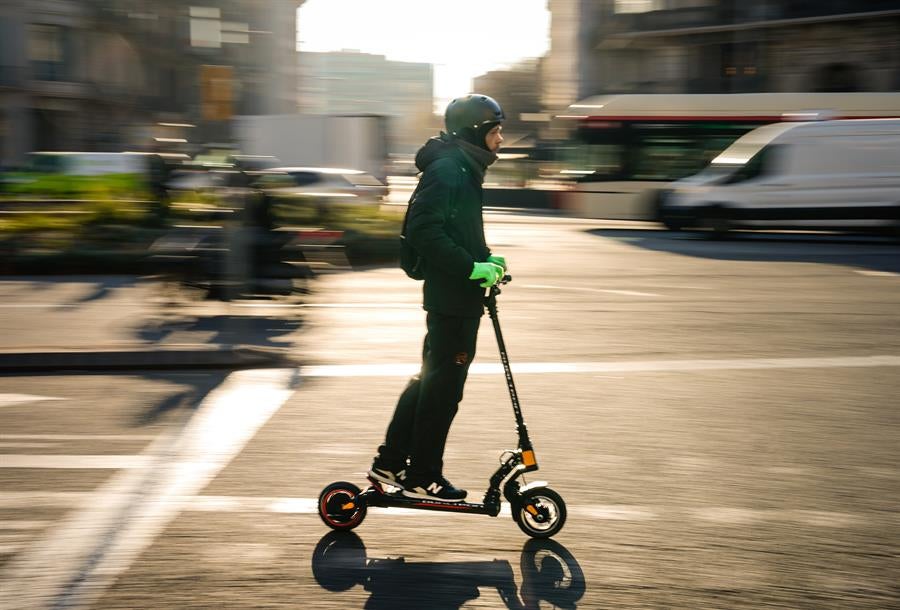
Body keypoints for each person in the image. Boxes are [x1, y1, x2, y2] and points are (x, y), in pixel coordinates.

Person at [368, 94, 508, 502]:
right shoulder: (449, 169)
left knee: (430, 382)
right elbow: (425, 232)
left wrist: (485, 258)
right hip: (451, 298)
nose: (501, 140)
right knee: (442, 391)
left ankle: (390, 462)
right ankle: (422, 474)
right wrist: (470, 268)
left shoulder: (461, 168)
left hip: (456, 296)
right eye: (496, 131)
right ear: (476, 132)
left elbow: (454, 229)